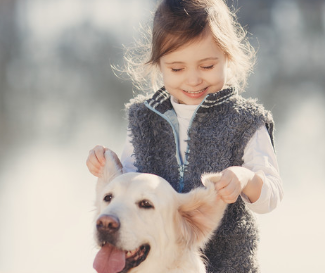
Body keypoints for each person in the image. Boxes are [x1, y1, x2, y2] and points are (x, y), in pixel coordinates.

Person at [86, 0, 283, 272]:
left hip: (227, 264)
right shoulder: (145, 117)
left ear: (228, 57)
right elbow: (128, 180)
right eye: (177, 69)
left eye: (206, 66)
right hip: (157, 262)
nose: (193, 80)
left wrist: (245, 178)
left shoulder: (245, 121)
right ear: (159, 65)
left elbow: (271, 195)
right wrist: (108, 165)